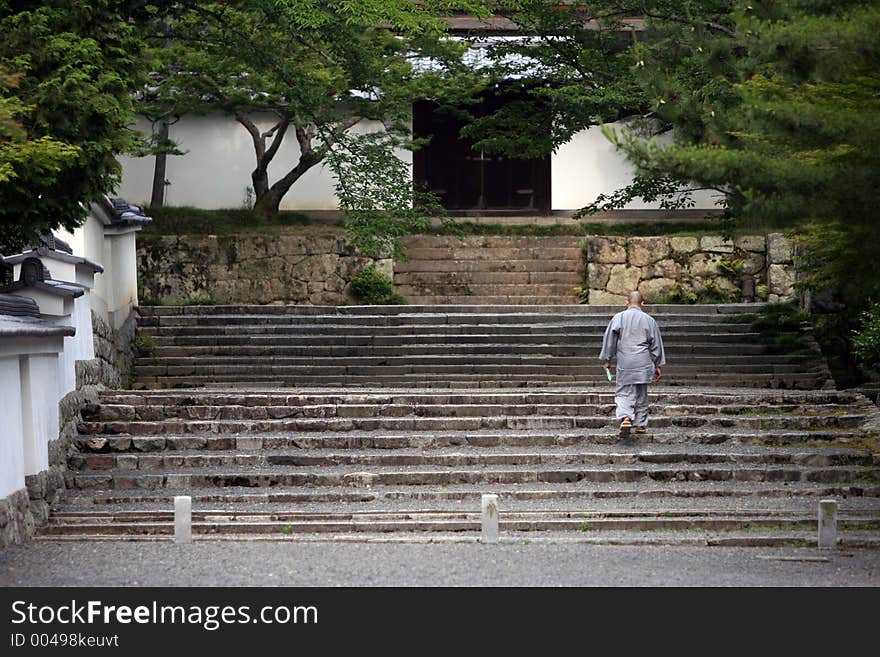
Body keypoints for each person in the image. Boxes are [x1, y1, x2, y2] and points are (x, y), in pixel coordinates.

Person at [599, 290, 666, 437]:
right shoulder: (649, 320)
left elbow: (610, 341)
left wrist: (607, 359)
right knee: (641, 392)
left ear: (626, 302)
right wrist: (658, 364)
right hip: (643, 361)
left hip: (625, 361)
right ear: (642, 303)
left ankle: (626, 417)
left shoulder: (618, 318)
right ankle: (641, 424)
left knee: (624, 391)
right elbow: (656, 345)